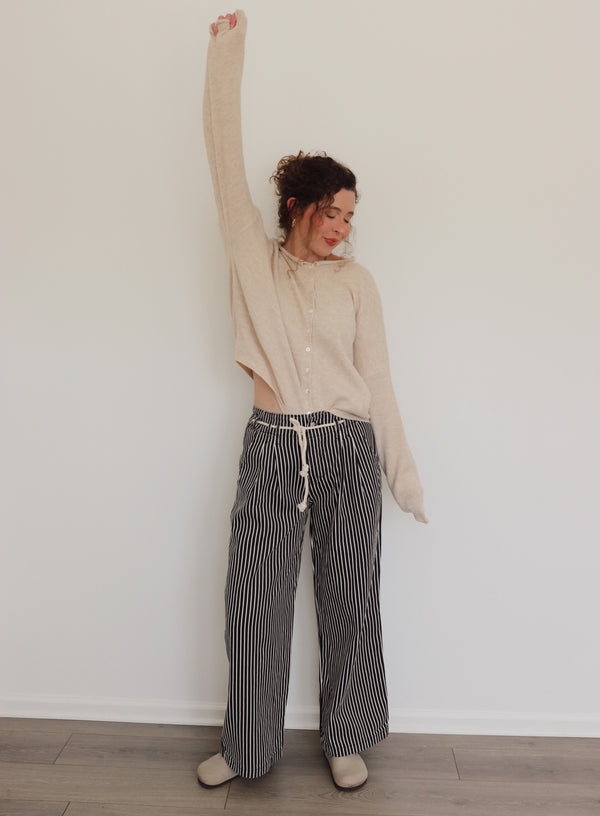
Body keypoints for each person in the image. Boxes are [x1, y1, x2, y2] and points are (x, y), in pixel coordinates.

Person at [198, 9, 427, 792]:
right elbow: (225, 162)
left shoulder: (358, 285)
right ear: (297, 206)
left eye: (351, 217)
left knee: (351, 599)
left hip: (347, 450)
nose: (342, 228)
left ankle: (347, 735)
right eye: (332, 213)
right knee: (253, 603)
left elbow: (382, 382)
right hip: (271, 444)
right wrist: (227, 57)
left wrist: (403, 472)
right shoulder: (252, 262)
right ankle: (248, 748)